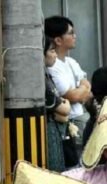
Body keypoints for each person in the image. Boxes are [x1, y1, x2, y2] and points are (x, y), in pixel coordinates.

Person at [44, 16, 91, 155]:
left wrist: (80, 91)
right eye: (71, 33)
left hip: (81, 117)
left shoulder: (71, 62)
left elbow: (87, 88)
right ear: (58, 40)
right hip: (71, 123)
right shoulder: (52, 66)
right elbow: (72, 95)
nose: (75, 36)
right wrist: (81, 91)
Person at [42, 36, 72, 171]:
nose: (55, 54)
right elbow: (64, 109)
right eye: (52, 51)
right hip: (48, 129)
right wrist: (65, 106)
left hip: (55, 127)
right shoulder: (41, 78)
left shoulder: (47, 73)